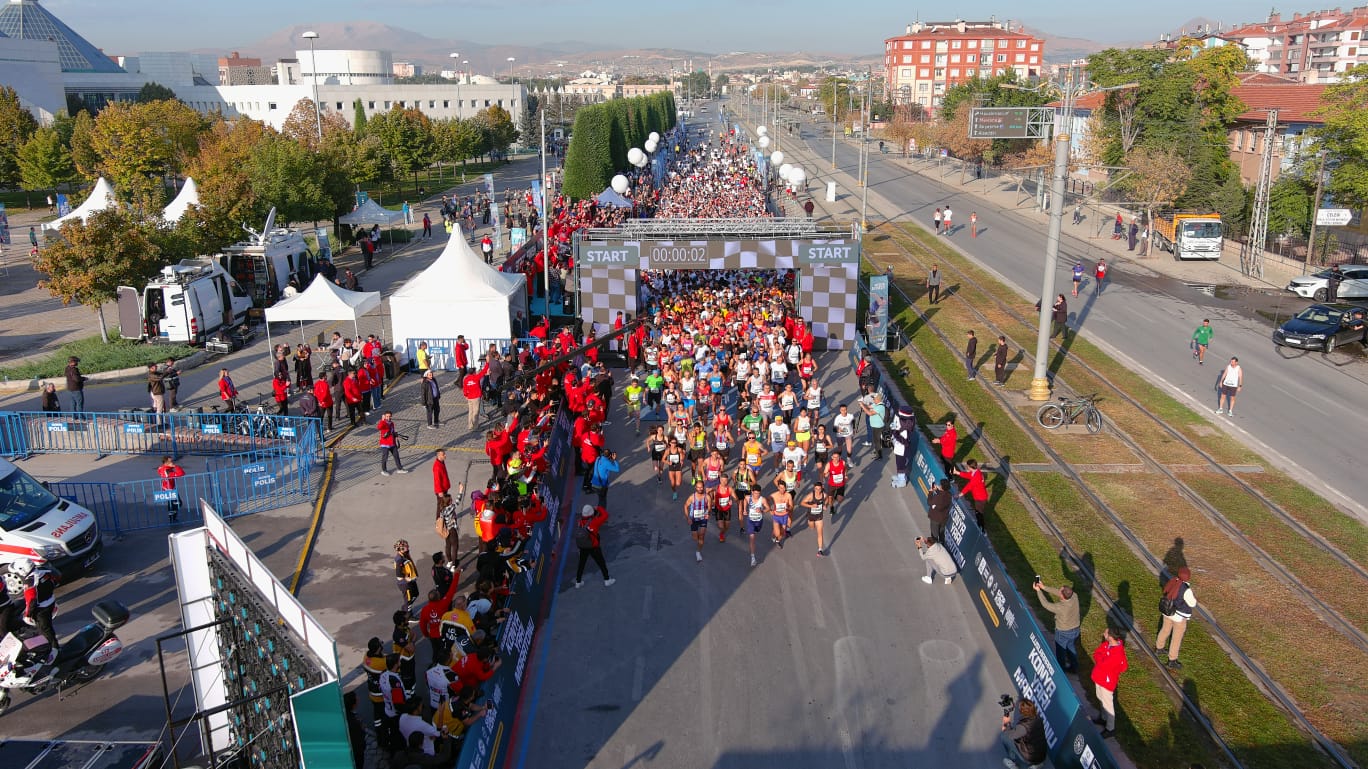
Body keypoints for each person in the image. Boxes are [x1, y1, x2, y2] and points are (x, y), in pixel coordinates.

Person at [15, 559, 59, 663]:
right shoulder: (43, 570)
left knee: (45, 630)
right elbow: (57, 577)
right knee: (47, 628)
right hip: (50, 601)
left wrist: (28, 615)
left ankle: (54, 651)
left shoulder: (30, 581)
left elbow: (31, 600)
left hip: (40, 610)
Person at [1033, 579, 1081, 672]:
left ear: (1062, 596)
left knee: (1061, 651)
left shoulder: (1061, 608)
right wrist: (1044, 587)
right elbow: (1059, 592)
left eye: (1060, 591)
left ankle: (1061, 669)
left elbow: (1046, 604)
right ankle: (1075, 667)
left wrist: (1039, 591)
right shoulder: (1074, 596)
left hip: (1063, 632)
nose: (1058, 591)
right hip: (1075, 630)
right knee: (1070, 647)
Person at [1155, 566, 1197, 670]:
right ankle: (1172, 660)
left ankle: (1159, 648)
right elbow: (1192, 603)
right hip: (1179, 617)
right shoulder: (1186, 589)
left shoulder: (1173, 580)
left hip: (1167, 612)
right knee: (1176, 638)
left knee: (1165, 630)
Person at [1091, 627, 1128, 738]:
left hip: (1106, 682)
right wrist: (1102, 656)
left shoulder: (1117, 654)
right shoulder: (1108, 645)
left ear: (1110, 637)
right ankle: (1103, 718)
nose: (1104, 634)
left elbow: (1102, 663)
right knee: (1100, 698)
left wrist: (1101, 656)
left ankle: (1110, 728)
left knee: (1108, 704)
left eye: (1106, 633)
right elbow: (1097, 653)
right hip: (1100, 677)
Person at [1000, 697, 1049, 769]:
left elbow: (1009, 734)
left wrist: (1006, 723)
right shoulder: (1038, 718)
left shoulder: (1023, 727)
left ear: (1023, 711)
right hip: (1041, 756)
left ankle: (1012, 762)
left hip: (1030, 758)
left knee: (1004, 736)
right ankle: (1037, 765)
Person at [574, 504, 615, 587]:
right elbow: (605, 515)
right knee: (601, 563)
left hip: (583, 546)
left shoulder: (580, 521)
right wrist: (598, 508)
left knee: (581, 563)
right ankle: (607, 579)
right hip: (593, 547)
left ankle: (578, 582)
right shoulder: (594, 522)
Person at [956, 458, 989, 530]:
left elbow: (969, 486)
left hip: (980, 498)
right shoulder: (976, 472)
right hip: (979, 496)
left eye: (968, 466)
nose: (967, 467)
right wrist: (958, 473)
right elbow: (968, 475)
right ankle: (980, 525)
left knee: (979, 513)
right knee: (978, 512)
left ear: (971, 467)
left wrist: (961, 494)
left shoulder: (976, 477)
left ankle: (981, 528)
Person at [684, 479, 711, 563]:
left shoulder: (707, 497)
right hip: (693, 519)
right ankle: (699, 540)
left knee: (702, 535)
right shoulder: (692, 497)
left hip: (703, 518)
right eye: (698, 487)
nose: (700, 489)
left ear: (703, 487)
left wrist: (708, 513)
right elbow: (685, 506)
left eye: (701, 487)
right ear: (695, 487)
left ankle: (698, 552)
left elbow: (710, 507)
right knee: (695, 537)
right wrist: (688, 518)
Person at [378, 410, 409, 476]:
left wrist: (395, 435)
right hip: (385, 444)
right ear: (385, 416)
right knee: (385, 457)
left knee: (396, 456)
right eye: (387, 416)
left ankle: (400, 469)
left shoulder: (392, 423)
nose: (388, 418)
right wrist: (382, 420)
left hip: (392, 443)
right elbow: (379, 427)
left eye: (389, 416)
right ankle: (384, 470)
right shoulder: (383, 423)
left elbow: (392, 431)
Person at [394, 539, 420, 615]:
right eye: (406, 546)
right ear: (401, 548)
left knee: (415, 594)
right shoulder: (399, 560)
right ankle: (408, 615)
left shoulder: (405, 555)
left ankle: (405, 608)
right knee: (408, 599)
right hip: (406, 584)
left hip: (411, 581)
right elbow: (399, 575)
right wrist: (407, 578)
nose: (408, 547)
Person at [158, 455, 186, 522]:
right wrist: (175, 466)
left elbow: (159, 470)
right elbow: (182, 473)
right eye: (170, 461)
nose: (172, 462)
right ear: (166, 462)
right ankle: (172, 517)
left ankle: (172, 517)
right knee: (177, 503)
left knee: (171, 504)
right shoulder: (168, 471)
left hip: (168, 488)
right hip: (170, 489)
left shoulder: (162, 468)